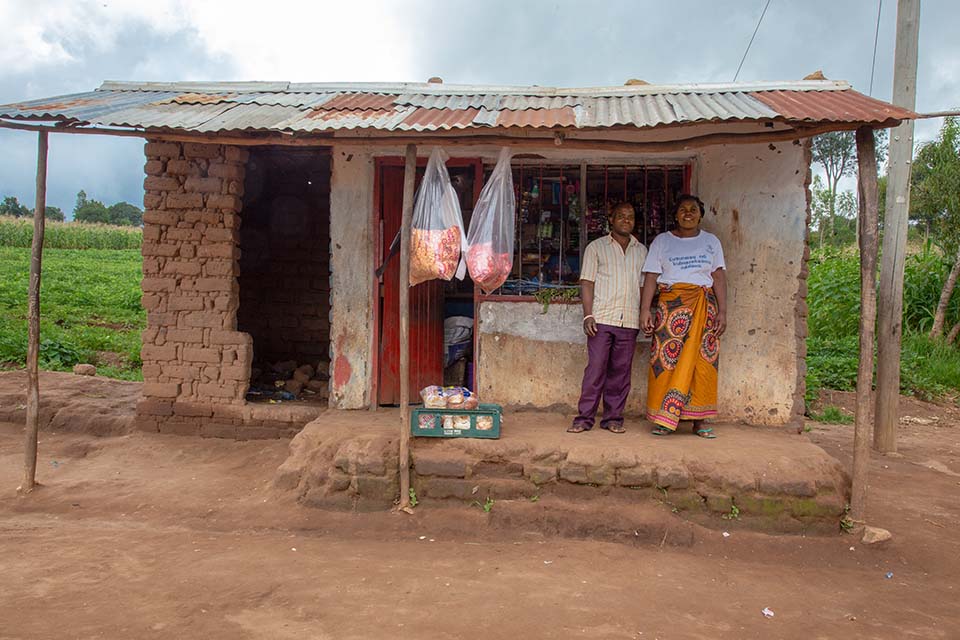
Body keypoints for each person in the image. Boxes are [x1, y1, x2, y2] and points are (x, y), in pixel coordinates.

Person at [639, 194, 727, 438]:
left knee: (702, 364)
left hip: (703, 308)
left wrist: (723, 311)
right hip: (671, 307)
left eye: (693, 210)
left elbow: (718, 277)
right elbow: (651, 278)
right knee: (665, 361)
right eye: (683, 209)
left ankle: (700, 421)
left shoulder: (712, 242)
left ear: (700, 215)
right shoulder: (662, 241)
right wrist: (645, 310)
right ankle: (663, 419)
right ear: (675, 214)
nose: (688, 213)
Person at [568, 202, 648, 434]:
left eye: (630, 216)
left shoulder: (641, 250)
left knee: (621, 373)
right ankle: (584, 419)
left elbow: (644, 286)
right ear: (611, 220)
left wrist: (644, 312)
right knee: (595, 370)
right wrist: (588, 315)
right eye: (621, 216)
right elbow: (587, 282)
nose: (626, 220)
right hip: (602, 319)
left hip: (629, 320)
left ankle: (613, 418)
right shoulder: (596, 247)